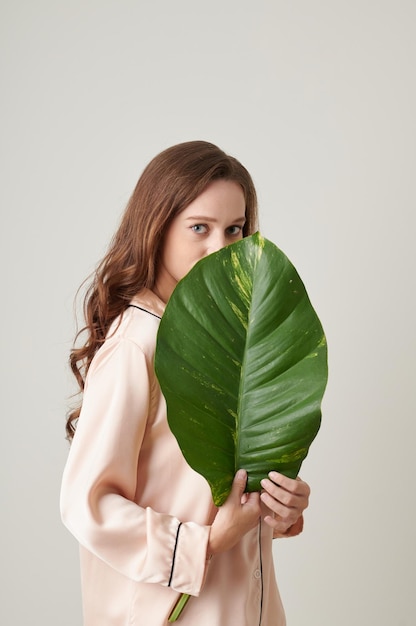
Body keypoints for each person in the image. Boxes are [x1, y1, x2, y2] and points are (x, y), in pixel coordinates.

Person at [60, 140, 311, 626]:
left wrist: (280, 507)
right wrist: (211, 540)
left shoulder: (233, 338)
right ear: (157, 228)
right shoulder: (138, 345)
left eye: (234, 229)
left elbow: (216, 490)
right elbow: (87, 504)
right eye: (200, 227)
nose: (220, 248)